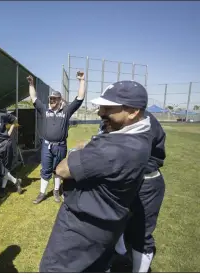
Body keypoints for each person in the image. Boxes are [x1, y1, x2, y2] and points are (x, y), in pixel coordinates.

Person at [39, 80, 152, 272]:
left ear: (133, 112)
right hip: (106, 225)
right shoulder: (141, 136)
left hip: (81, 228)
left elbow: (62, 169)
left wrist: (77, 151)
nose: (101, 113)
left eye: (109, 108)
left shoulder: (112, 148)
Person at [111, 110, 166, 272]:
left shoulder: (146, 121)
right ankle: (121, 252)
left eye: (108, 107)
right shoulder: (111, 119)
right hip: (121, 181)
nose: (102, 112)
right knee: (115, 221)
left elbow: (148, 157)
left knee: (142, 234)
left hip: (145, 183)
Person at [26, 72, 85, 204]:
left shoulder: (66, 111)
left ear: (59, 100)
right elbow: (34, 98)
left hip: (60, 146)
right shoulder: (44, 110)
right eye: (50, 99)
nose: (51, 101)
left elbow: (80, 98)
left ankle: (56, 191)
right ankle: (42, 193)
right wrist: (31, 84)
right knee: (45, 169)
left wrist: (82, 81)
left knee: (58, 169)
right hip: (47, 146)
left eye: (54, 99)